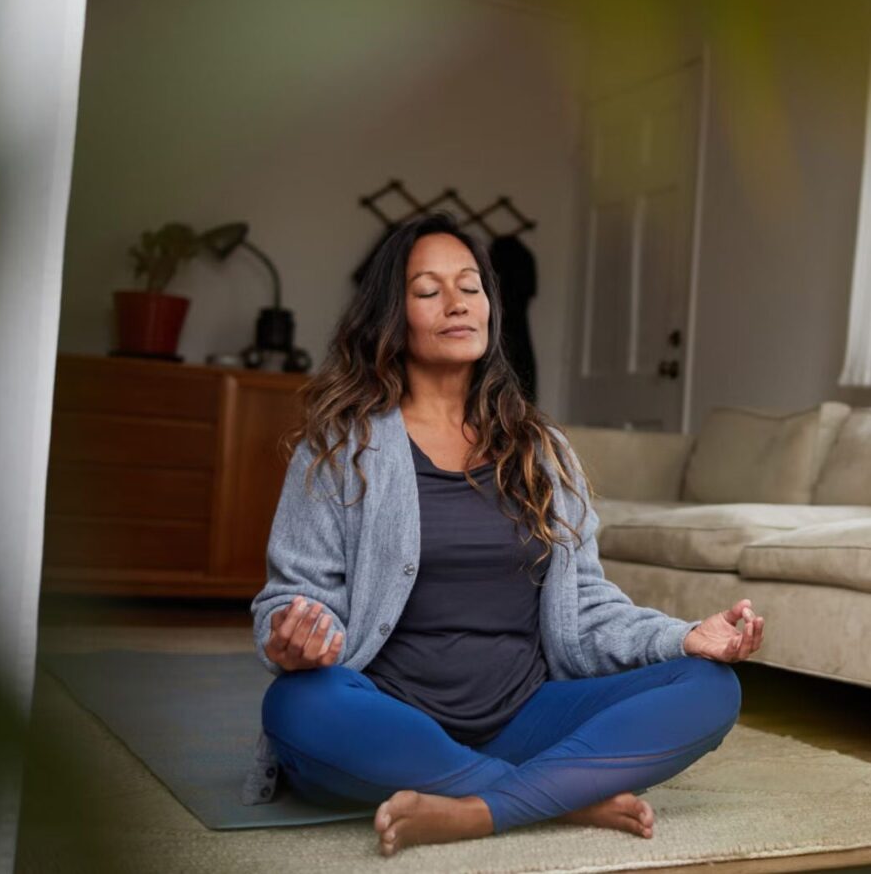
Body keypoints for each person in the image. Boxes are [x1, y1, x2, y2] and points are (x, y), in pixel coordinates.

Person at [248, 212, 765, 857]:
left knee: (709, 686)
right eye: (428, 291)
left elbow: (589, 609)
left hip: (526, 718)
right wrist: (297, 639)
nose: (457, 303)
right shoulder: (340, 447)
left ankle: (475, 808)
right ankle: (562, 795)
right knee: (298, 706)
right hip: (390, 718)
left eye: (470, 286)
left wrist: (683, 636)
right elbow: (290, 598)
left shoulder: (542, 451)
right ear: (392, 314)